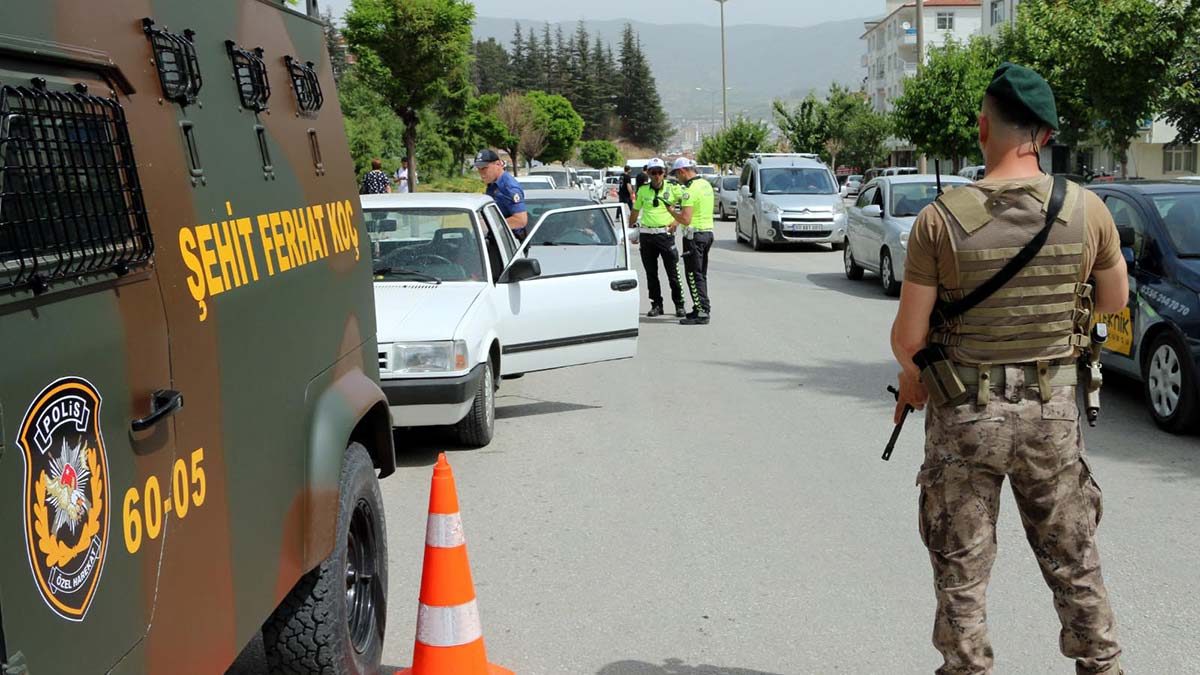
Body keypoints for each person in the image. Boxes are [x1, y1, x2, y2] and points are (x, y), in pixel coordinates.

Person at [890, 63, 1129, 675]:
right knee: (1074, 558)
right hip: (1052, 412)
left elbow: (908, 339)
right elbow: (1113, 302)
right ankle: (1102, 665)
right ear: (1045, 135)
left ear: (982, 127)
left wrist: (915, 377)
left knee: (961, 568)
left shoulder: (939, 219)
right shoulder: (1087, 209)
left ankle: (967, 668)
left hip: (965, 415)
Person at [629, 157, 684, 318]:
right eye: (654, 172)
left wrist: (676, 220)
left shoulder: (673, 188)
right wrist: (631, 230)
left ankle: (679, 304)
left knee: (673, 272)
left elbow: (687, 206)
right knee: (651, 274)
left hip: (665, 236)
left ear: (664, 173)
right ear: (648, 173)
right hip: (647, 236)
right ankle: (656, 304)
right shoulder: (642, 190)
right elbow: (635, 212)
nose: (657, 176)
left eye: (660, 172)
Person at [668, 157, 716, 325]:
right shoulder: (705, 184)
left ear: (682, 171)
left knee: (693, 274)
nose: (676, 179)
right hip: (707, 233)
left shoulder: (690, 190)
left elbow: (686, 219)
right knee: (701, 274)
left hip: (693, 236)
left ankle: (702, 311)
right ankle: (699, 307)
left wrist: (672, 212)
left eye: (676, 175)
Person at [474, 149, 528, 237]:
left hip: (511, 240)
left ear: (498, 164)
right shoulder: (492, 183)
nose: (481, 173)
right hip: (498, 236)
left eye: (484, 168)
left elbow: (520, 220)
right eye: (479, 169)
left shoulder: (509, 187)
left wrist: (488, 225)